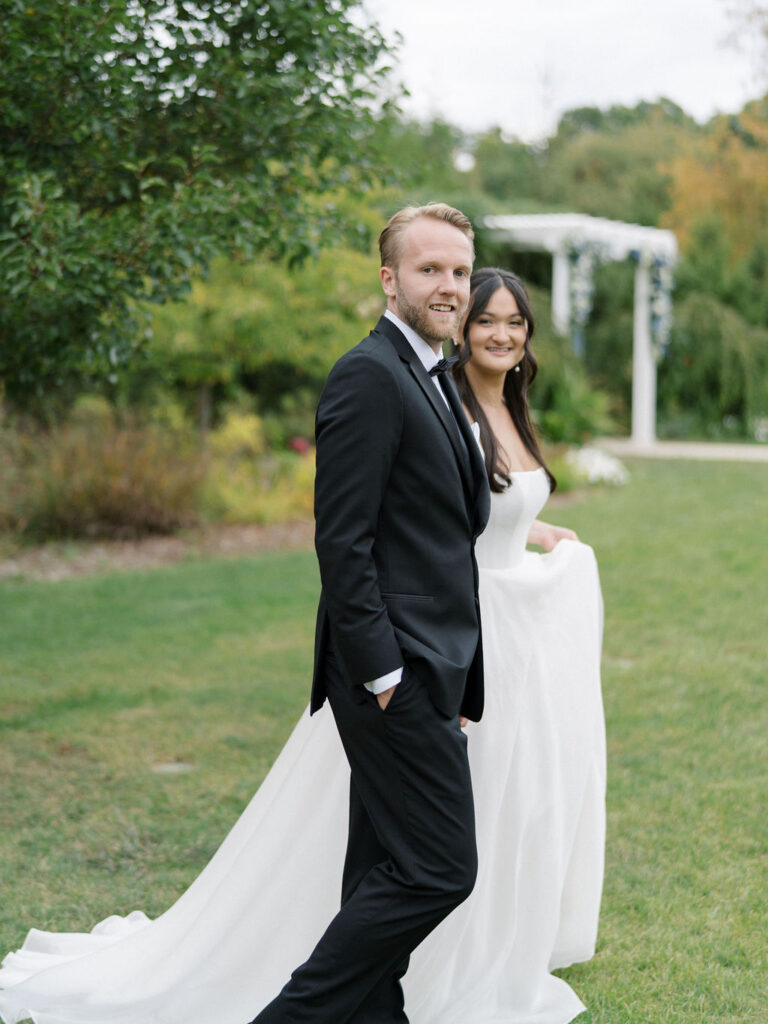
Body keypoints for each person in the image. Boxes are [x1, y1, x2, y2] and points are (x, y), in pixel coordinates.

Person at [0, 265, 605, 1024]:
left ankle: (375, 1005)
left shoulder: (469, 394)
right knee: (440, 864)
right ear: (394, 279)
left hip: (469, 648)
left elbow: (459, 513)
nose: (498, 330)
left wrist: (536, 533)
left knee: (384, 847)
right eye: (474, 305)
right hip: (407, 655)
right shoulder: (385, 378)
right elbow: (348, 539)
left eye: (512, 318)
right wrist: (383, 672)